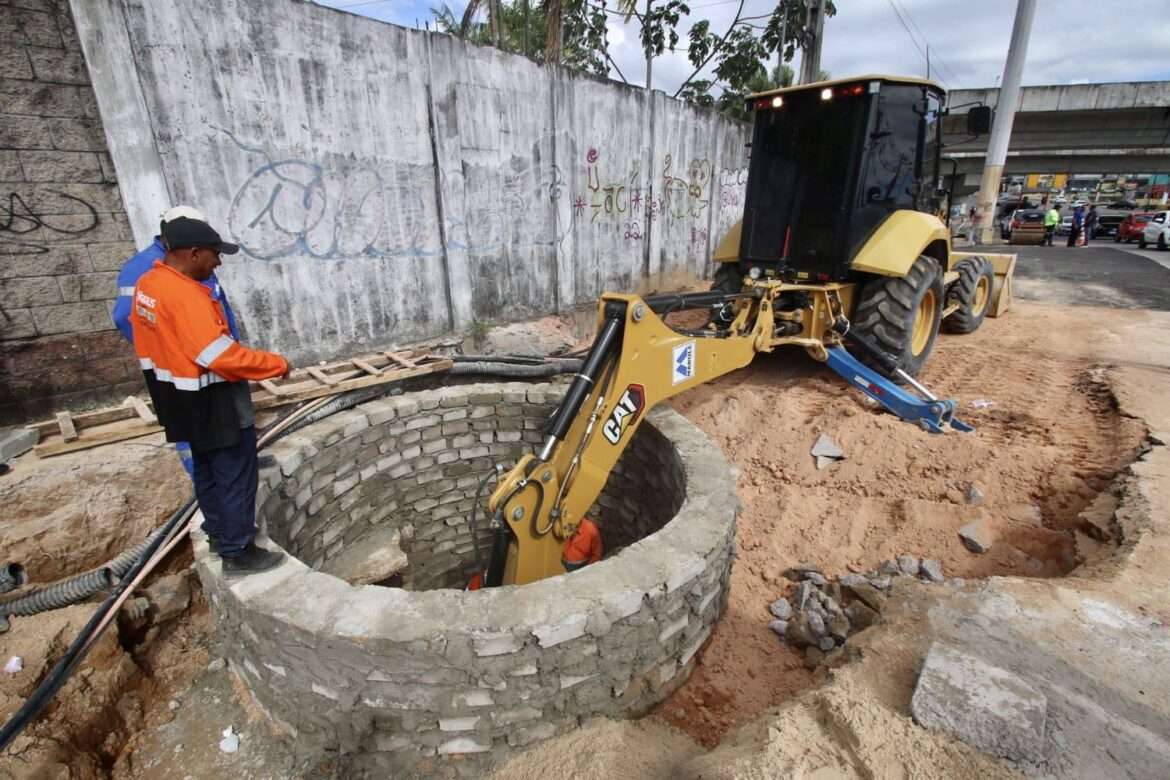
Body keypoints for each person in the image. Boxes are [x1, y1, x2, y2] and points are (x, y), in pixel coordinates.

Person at [130, 216, 289, 576]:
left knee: (209, 471)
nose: (218, 262)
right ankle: (237, 551)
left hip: (177, 398)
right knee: (235, 473)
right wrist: (276, 364)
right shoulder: (185, 295)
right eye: (215, 255)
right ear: (193, 252)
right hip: (211, 401)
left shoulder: (149, 284)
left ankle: (218, 532)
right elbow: (219, 356)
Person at [114, 206, 240, 477]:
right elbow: (126, 316)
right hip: (185, 370)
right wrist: (172, 350)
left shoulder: (192, 261)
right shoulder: (144, 269)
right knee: (192, 427)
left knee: (221, 429)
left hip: (215, 361)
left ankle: (226, 471)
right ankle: (201, 478)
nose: (216, 259)